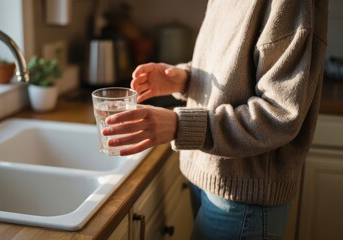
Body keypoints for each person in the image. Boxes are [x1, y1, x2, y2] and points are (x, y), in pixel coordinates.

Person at [101, 0, 328, 239]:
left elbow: (278, 115)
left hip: (246, 197)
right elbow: (234, 68)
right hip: (206, 174)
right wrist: (187, 79)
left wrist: (179, 125)